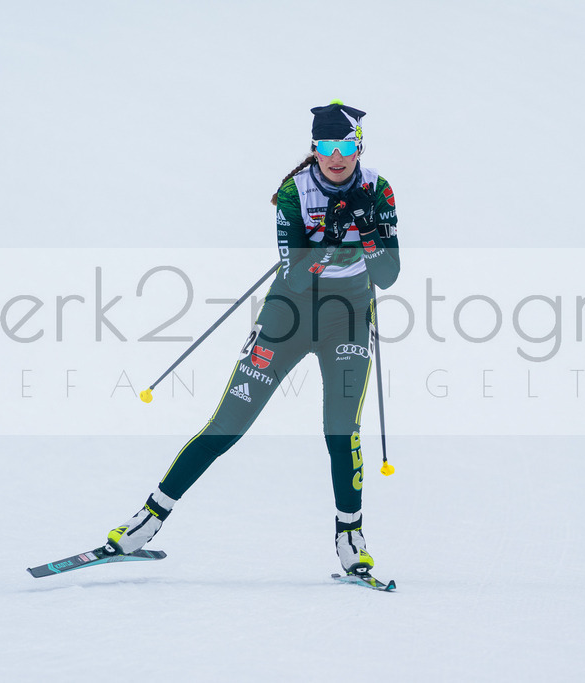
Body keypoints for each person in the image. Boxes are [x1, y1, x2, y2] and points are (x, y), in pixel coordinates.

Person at [106, 101, 400, 576]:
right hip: (290, 312)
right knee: (228, 424)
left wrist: (368, 232)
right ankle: (147, 519)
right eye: (326, 145)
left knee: (340, 429)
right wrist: (332, 232)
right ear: (314, 147)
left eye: (345, 145)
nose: (336, 156)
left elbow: (388, 274)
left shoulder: (377, 188)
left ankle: (351, 537)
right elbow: (296, 275)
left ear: (358, 145)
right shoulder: (294, 192)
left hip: (346, 316)